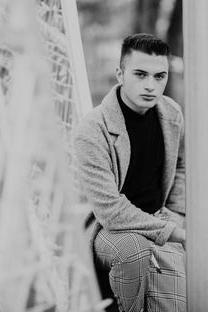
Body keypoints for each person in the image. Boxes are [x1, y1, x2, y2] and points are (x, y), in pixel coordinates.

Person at [74, 33, 186, 312]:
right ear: (120, 74)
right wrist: (174, 232)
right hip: (107, 228)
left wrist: (177, 213)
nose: (151, 85)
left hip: (158, 217)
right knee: (133, 250)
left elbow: (181, 164)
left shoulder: (171, 113)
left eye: (160, 76)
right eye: (140, 74)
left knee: (175, 304)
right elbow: (110, 211)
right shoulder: (93, 129)